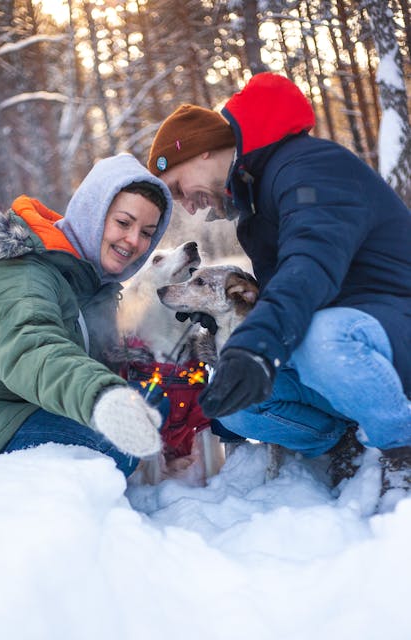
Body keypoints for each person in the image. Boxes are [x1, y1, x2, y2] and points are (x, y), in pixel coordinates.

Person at [147, 72, 411, 491]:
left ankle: (402, 447)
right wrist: (237, 318)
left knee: (322, 337)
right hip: (347, 356)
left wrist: (256, 346)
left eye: (179, 188)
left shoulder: (307, 167)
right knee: (235, 406)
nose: (189, 206)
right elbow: (285, 288)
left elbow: (309, 269)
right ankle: (342, 441)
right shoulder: (256, 210)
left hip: (390, 328)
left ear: (202, 152)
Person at [0, 153, 173, 476]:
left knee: (155, 401)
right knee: (111, 447)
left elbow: (94, 354)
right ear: (94, 213)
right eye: (123, 222)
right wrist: (101, 396)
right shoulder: (24, 271)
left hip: (21, 402)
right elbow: (33, 348)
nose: (135, 241)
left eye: (147, 232)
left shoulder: (92, 282)